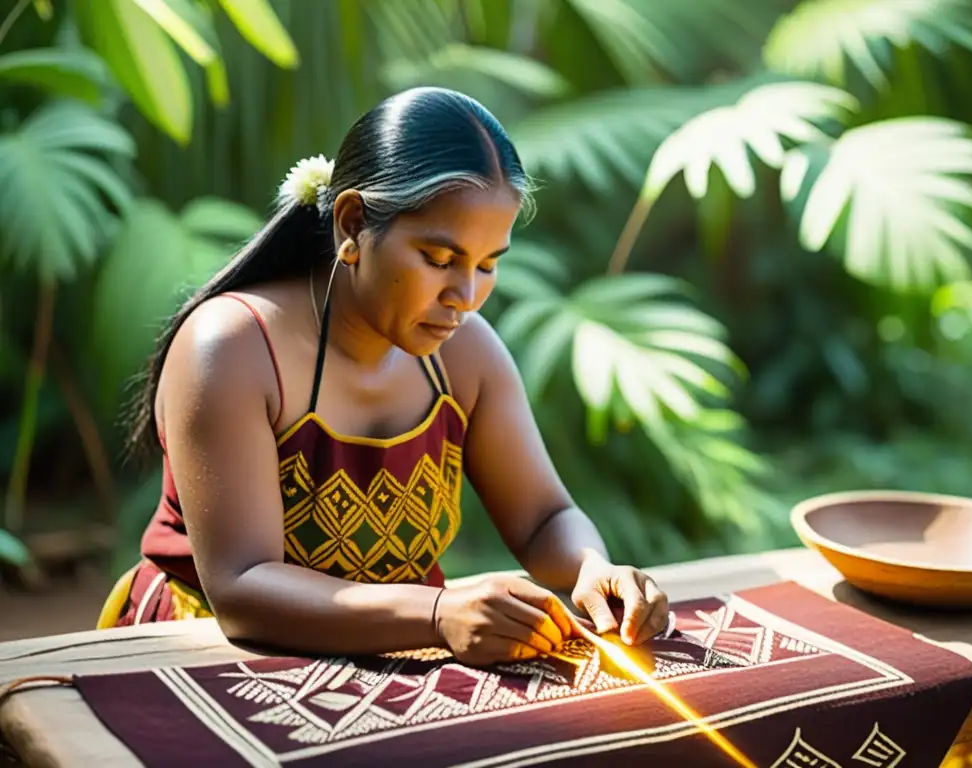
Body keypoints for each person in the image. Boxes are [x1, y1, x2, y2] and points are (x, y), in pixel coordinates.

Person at [97, 86, 670, 666]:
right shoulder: (233, 348)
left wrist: (593, 568)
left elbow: (545, 518)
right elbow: (243, 590)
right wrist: (436, 613)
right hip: (206, 658)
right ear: (351, 224)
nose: (465, 296)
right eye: (441, 260)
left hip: (391, 653)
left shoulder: (466, 355)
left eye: (489, 263)